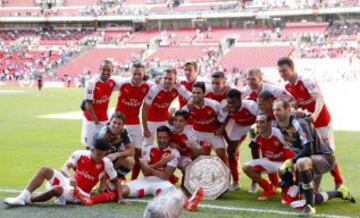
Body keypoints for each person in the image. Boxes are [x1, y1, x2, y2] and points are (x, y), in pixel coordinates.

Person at [77, 126, 204, 212]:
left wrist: (150, 167)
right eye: (159, 137)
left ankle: (190, 204)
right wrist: (161, 163)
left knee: (173, 194)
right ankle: (90, 200)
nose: (162, 140)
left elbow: (165, 176)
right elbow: (145, 171)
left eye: (165, 137)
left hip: (163, 182)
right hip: (146, 180)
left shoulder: (174, 152)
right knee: (122, 190)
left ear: (169, 138)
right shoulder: (149, 148)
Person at [273, 99, 355, 215]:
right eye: (274, 110)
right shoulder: (280, 124)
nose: (275, 112)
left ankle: (309, 208)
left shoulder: (298, 122)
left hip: (325, 158)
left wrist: (290, 162)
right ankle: (340, 192)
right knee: (312, 196)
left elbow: (308, 149)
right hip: (311, 160)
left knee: (301, 162)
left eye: (278, 109)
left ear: (287, 110)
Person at [4, 133, 123, 206]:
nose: (100, 158)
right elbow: (65, 167)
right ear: (92, 149)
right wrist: (69, 176)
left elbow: (116, 180)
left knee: (56, 189)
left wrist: (120, 198)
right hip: (68, 182)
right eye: (98, 155)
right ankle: (21, 198)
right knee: (44, 170)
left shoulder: (106, 163)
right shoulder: (80, 154)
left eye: (103, 155)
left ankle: (30, 200)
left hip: (79, 194)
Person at [277, 57, 343, 188]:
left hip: (322, 122)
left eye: (284, 70)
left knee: (327, 153)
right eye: (280, 71)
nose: (282, 74)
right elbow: (299, 101)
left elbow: (319, 98)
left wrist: (314, 115)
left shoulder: (306, 80)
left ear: (292, 68)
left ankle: (339, 181)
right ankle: (314, 187)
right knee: (314, 155)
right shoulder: (288, 86)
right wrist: (292, 109)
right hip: (309, 126)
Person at [242, 113, 294, 201]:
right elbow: (257, 147)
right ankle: (268, 189)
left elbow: (294, 149)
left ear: (269, 123)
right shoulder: (253, 131)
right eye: (257, 122)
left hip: (285, 162)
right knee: (246, 167)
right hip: (270, 160)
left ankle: (292, 189)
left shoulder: (279, 133)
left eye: (262, 122)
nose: (259, 125)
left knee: (289, 195)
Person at [114, 62, 151, 180]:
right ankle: (118, 179)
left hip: (135, 123)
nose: (136, 76)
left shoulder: (147, 86)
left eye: (139, 74)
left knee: (138, 153)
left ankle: (133, 180)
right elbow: (106, 88)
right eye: (134, 73)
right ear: (131, 73)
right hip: (120, 124)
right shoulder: (122, 83)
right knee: (119, 153)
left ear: (143, 73)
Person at [217, 88, 258, 191]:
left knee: (255, 149)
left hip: (253, 125)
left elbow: (261, 119)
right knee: (230, 151)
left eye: (234, 102)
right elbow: (221, 125)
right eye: (229, 102)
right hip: (239, 125)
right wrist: (230, 143)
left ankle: (255, 182)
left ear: (240, 99)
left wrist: (256, 138)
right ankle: (236, 182)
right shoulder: (226, 108)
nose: (231, 105)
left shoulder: (251, 106)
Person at [141, 68, 191, 149]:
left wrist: (184, 110)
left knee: (167, 145)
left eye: (170, 78)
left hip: (165, 120)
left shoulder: (178, 87)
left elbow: (192, 97)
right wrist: (145, 128)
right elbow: (144, 108)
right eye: (165, 78)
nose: (167, 81)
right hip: (151, 121)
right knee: (148, 146)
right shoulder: (155, 89)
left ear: (175, 79)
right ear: (162, 78)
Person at [183, 82, 228, 164]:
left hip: (213, 134)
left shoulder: (214, 105)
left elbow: (225, 116)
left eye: (198, 93)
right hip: (197, 133)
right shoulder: (189, 107)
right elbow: (179, 117)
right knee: (195, 159)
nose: (195, 95)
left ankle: (226, 176)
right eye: (193, 93)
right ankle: (194, 176)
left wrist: (221, 129)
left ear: (204, 93)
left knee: (223, 156)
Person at [81, 59, 118, 149]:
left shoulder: (113, 82)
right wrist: (96, 122)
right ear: (99, 69)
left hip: (104, 120)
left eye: (108, 70)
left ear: (112, 70)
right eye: (103, 69)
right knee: (90, 148)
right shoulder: (91, 83)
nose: (106, 72)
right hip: (91, 120)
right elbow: (88, 105)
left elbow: (128, 81)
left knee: (104, 148)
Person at [101, 112, 135, 180]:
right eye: (114, 122)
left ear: (123, 125)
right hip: (101, 161)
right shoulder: (103, 133)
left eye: (119, 123)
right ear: (110, 122)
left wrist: (117, 154)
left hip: (112, 159)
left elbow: (132, 151)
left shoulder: (123, 132)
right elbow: (98, 154)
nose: (116, 125)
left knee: (130, 161)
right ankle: (104, 181)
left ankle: (112, 182)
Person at [170, 110, 201, 180]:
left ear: (185, 122)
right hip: (168, 157)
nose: (177, 123)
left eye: (181, 121)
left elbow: (199, 154)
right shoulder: (168, 130)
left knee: (188, 167)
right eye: (175, 120)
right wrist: (169, 144)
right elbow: (160, 146)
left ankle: (186, 182)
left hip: (183, 158)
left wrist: (191, 147)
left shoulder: (190, 135)